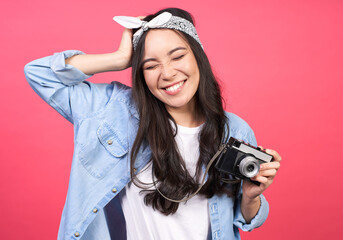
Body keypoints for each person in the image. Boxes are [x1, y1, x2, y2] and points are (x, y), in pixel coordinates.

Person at [24, 7, 281, 240]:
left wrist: (250, 196)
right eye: (150, 65)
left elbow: (245, 220)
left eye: (177, 56)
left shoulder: (234, 130)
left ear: (198, 56)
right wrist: (120, 57)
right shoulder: (113, 111)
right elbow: (39, 74)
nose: (167, 73)